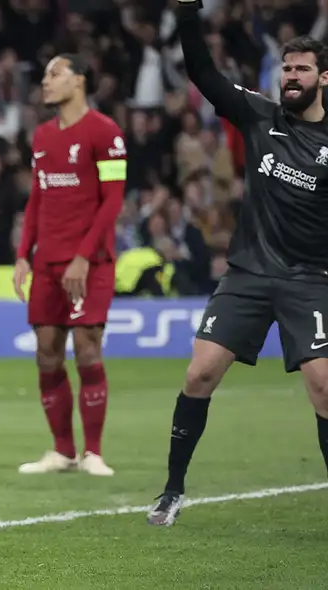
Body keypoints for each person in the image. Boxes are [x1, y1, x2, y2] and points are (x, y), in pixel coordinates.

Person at [149, 1, 328, 526]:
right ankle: (171, 489)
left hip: (311, 280)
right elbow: (203, 72)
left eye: (301, 70)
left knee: (323, 388)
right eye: (287, 69)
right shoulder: (259, 114)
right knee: (200, 373)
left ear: (324, 78)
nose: (291, 78)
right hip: (249, 274)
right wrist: (186, 13)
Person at [13, 53, 127, 477]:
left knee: (85, 347)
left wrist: (83, 256)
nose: (45, 81)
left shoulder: (106, 132)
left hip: (90, 262)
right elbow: (37, 198)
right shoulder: (42, 136)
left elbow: (112, 200)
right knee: (46, 352)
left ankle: (92, 452)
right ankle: (62, 450)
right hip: (47, 262)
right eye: (44, 74)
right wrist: (24, 252)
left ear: (79, 81)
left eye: (54, 74)